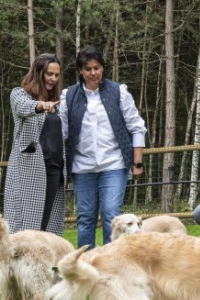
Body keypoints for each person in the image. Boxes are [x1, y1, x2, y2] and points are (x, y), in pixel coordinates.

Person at [59, 45, 147, 248]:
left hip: (114, 164)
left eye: (97, 68)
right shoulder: (68, 96)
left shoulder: (119, 92)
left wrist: (137, 162)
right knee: (85, 219)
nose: (93, 73)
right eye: (88, 69)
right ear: (80, 71)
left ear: (102, 68)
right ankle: (85, 267)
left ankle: (110, 266)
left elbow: (137, 127)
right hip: (82, 167)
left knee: (111, 215)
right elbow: (61, 132)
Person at [4, 53, 66, 235]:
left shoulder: (60, 104)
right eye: (49, 74)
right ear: (38, 73)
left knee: (45, 224)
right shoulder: (19, 94)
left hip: (54, 168)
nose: (53, 79)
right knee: (25, 223)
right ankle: (18, 260)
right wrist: (42, 105)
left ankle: (40, 260)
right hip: (29, 169)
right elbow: (24, 108)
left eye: (56, 75)